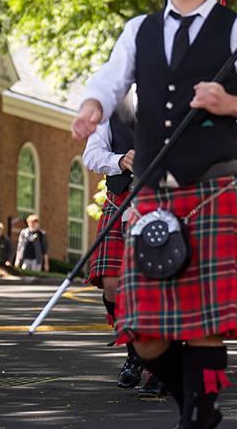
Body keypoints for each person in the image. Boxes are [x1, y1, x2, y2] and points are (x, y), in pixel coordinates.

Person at [71, 0, 237, 428]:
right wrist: (90, 108)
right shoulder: (139, 30)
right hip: (151, 191)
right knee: (144, 333)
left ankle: (197, 415)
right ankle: (194, 405)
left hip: (211, 187)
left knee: (207, 324)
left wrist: (231, 101)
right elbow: (108, 81)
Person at [82, 90, 164, 398]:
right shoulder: (111, 106)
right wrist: (119, 160)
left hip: (163, 202)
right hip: (120, 201)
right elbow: (91, 155)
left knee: (157, 286)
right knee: (112, 284)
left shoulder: (178, 98)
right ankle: (134, 353)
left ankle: (160, 365)